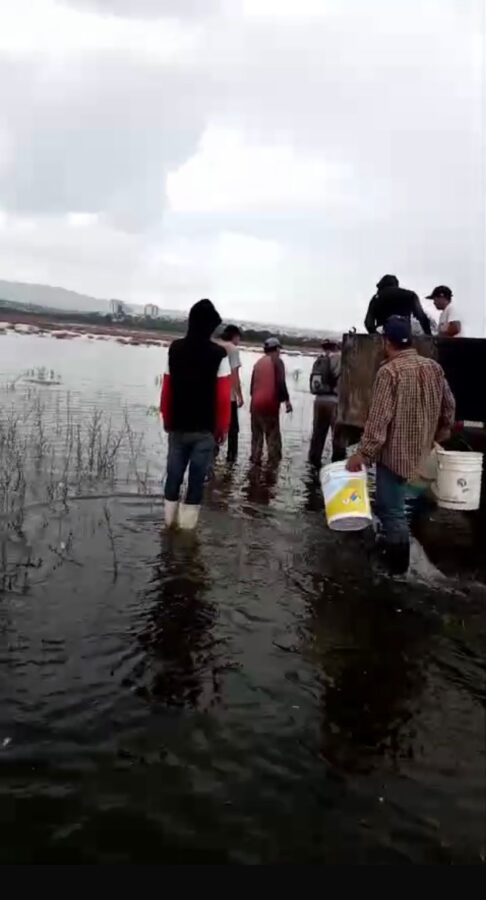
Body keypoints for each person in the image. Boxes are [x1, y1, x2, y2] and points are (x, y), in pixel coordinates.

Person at [346, 316, 455, 575]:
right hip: (423, 456)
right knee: (402, 510)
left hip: (395, 457)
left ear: (387, 341)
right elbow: (449, 406)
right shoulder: (433, 368)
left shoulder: (389, 372)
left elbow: (379, 420)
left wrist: (362, 454)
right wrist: (440, 431)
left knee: (391, 512)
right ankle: (399, 561)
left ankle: (397, 574)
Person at [160, 299, 231, 529]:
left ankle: (169, 526)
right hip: (204, 430)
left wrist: (166, 418)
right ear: (209, 326)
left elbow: (166, 388)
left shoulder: (175, 349)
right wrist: (222, 428)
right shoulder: (219, 354)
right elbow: (222, 398)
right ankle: (186, 535)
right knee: (196, 483)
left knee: (173, 477)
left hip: (177, 426)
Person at [250, 337, 292, 466]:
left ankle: (254, 466)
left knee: (256, 439)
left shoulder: (258, 363)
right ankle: (272, 471)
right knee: (273, 439)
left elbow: (252, 388)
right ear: (277, 349)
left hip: (255, 405)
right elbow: (280, 382)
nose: (280, 352)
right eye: (279, 349)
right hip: (269, 405)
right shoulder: (278, 362)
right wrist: (287, 401)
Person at [308, 339, 342, 467]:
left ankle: (312, 465)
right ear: (336, 347)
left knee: (317, 436)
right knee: (338, 438)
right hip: (334, 402)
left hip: (319, 401)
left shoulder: (319, 360)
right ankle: (337, 466)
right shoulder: (339, 359)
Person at [365, 274, 431, 335]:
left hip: (384, 336)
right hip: (405, 336)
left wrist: (375, 335)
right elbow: (421, 317)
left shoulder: (376, 298)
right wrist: (429, 335)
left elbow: (368, 323)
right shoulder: (410, 295)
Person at [218, 324, 244, 462]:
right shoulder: (233, 349)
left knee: (215, 427)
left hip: (214, 394)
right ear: (235, 336)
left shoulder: (216, 345)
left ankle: (212, 458)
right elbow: (234, 374)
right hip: (228, 396)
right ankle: (231, 460)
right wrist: (240, 395)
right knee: (233, 430)